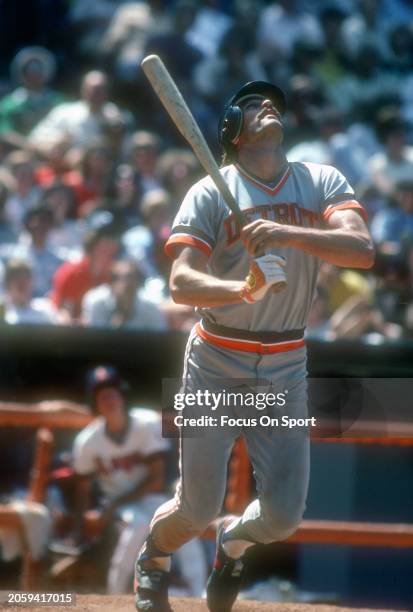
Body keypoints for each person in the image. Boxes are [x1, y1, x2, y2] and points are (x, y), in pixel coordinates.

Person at [133, 80, 374, 612]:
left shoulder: (319, 179)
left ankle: (233, 544)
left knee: (284, 516)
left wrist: (286, 234)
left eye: (271, 103)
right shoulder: (208, 190)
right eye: (249, 105)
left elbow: (361, 249)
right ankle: (153, 556)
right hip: (217, 362)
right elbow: (181, 284)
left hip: (286, 366)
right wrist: (242, 289)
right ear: (233, 134)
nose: (266, 105)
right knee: (196, 508)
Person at [71, 365, 206, 595]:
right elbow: (82, 488)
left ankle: (199, 594)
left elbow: (156, 479)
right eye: (102, 396)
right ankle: (113, 595)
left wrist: (114, 505)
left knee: (183, 524)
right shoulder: (87, 441)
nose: (110, 400)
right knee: (138, 526)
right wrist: (81, 527)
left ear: (122, 395)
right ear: (95, 404)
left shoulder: (145, 424)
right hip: (118, 506)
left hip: (151, 499)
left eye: (113, 393)